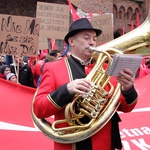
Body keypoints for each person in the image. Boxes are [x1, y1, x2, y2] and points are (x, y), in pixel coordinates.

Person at [33, 18, 138, 150]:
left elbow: (126, 107)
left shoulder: (106, 68)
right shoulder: (53, 68)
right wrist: (66, 90)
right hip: (71, 144)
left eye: (94, 39)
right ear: (71, 41)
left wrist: (127, 88)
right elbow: (39, 108)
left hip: (104, 143)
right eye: (86, 37)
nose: (92, 42)